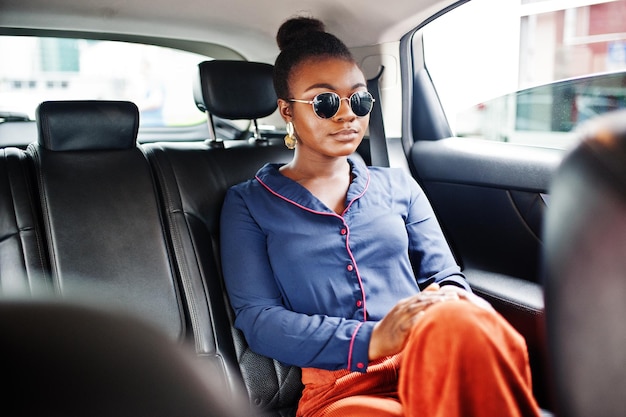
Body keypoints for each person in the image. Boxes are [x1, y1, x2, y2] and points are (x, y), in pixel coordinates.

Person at [220, 16, 542, 417]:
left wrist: (448, 309)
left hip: (428, 359)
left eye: (358, 100)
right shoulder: (249, 203)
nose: (346, 116)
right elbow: (260, 320)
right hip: (340, 390)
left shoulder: (398, 186)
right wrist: (374, 338)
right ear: (287, 111)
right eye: (324, 102)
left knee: (466, 317)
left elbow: (446, 277)